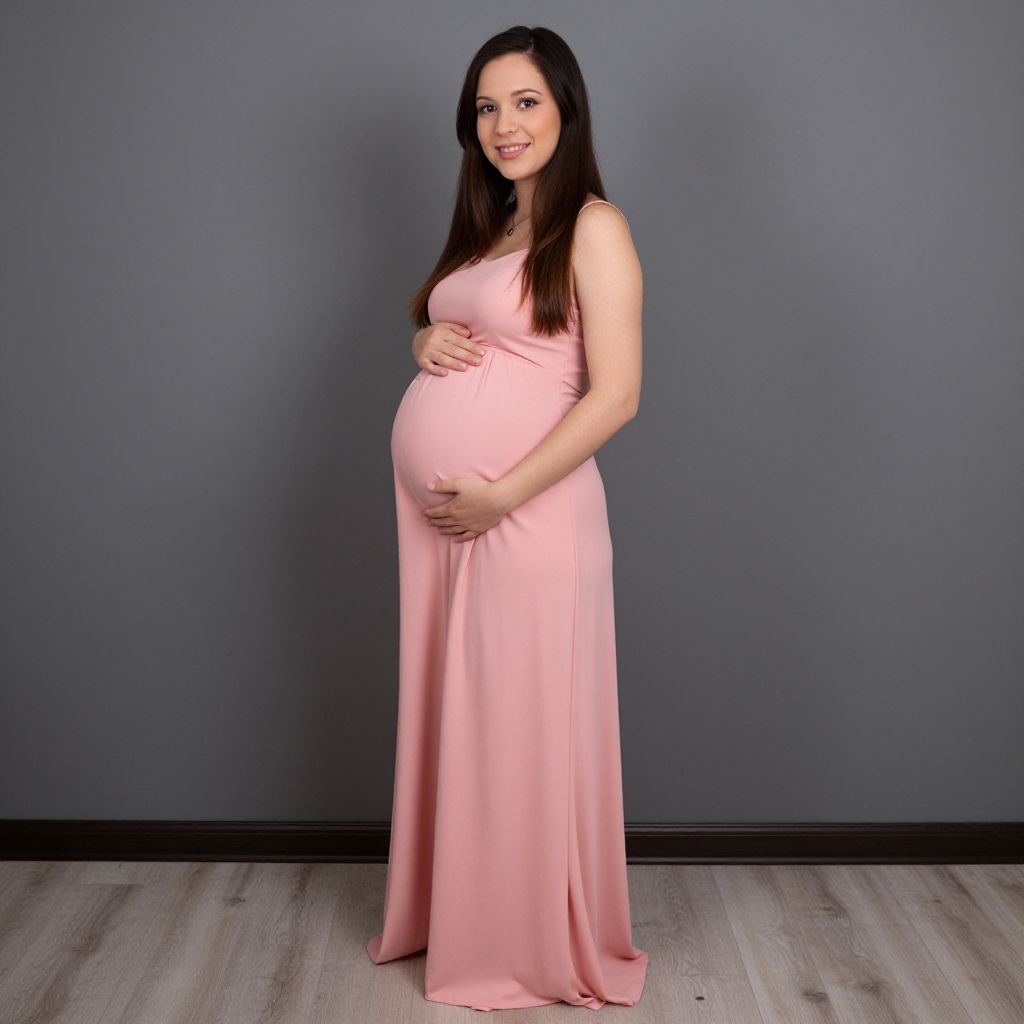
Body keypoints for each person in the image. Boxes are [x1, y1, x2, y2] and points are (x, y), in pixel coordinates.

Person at [366, 24, 647, 1012]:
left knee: (516, 728)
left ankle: (519, 944)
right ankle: (466, 917)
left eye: (525, 101)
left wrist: (501, 493)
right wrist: (423, 340)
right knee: (466, 721)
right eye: (487, 107)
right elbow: (476, 327)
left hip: (526, 519)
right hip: (451, 529)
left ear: (566, 109)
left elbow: (616, 395)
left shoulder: (595, 228)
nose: (504, 124)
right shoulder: (493, 229)